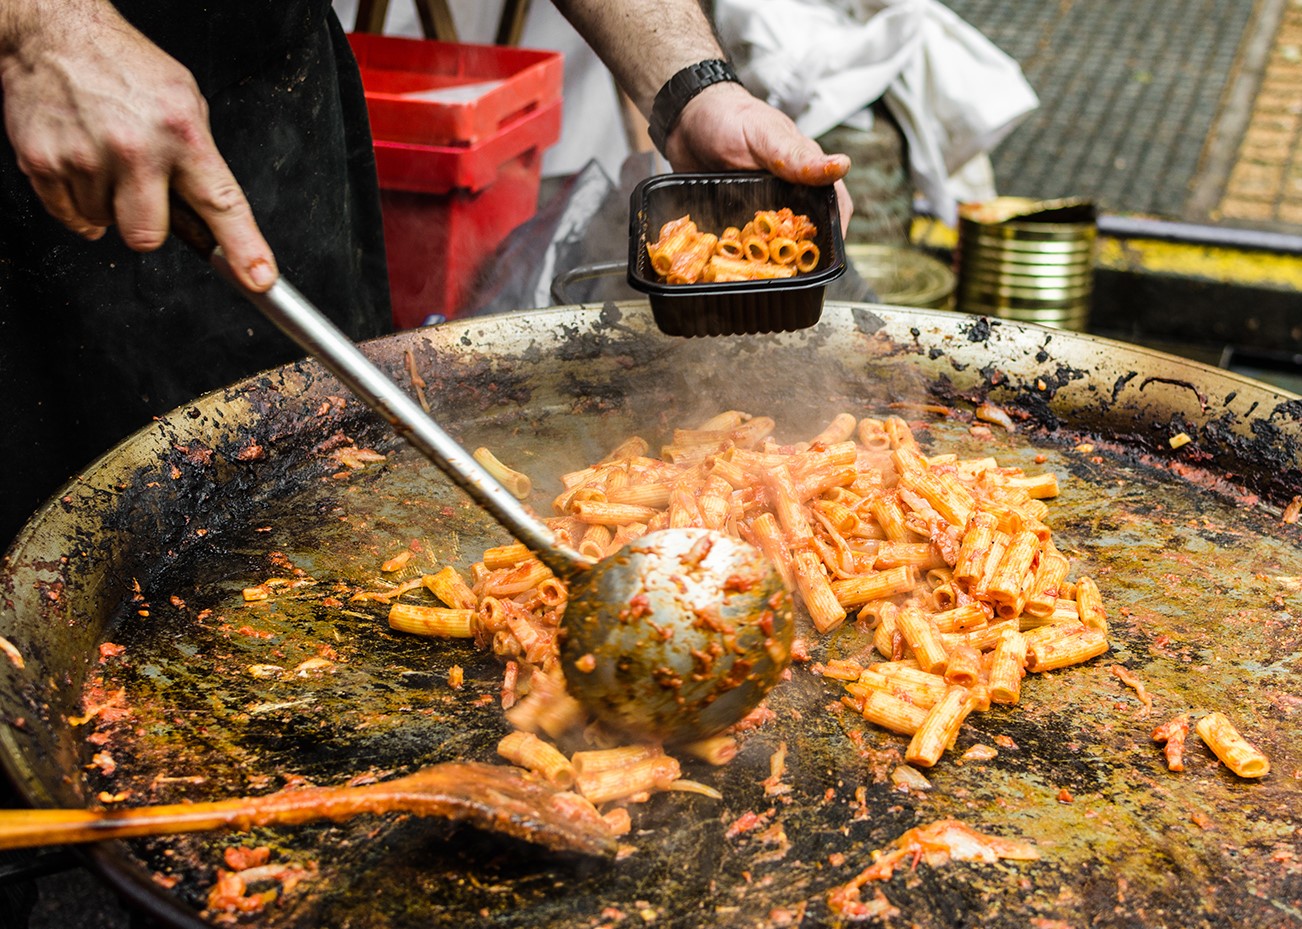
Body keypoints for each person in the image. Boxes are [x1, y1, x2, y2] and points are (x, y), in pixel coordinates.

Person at [0, 0, 849, 551]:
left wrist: (694, 89)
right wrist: (40, 28)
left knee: (333, 500)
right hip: (34, 137)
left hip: (277, 97)